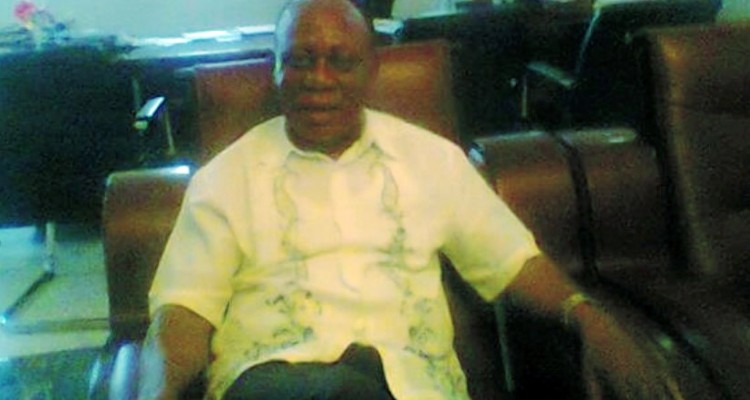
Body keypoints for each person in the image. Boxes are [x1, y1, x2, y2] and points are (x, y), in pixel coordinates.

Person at [137, 0, 677, 399]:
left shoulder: (431, 160)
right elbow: (184, 309)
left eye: (340, 60)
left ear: (371, 69)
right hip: (274, 379)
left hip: (411, 382)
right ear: (276, 70)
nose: (318, 79)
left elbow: (510, 259)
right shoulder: (226, 177)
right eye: (299, 60)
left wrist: (588, 317)